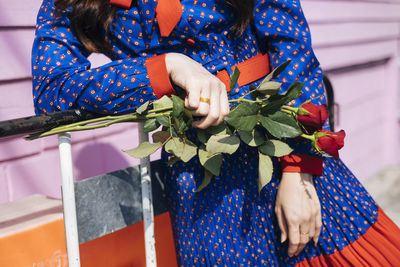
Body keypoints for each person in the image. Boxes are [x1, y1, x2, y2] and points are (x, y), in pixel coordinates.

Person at [32, 0, 400, 265]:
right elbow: (52, 88)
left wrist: (298, 171)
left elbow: (296, 60)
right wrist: (167, 68)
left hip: (285, 150)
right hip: (201, 184)